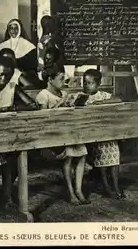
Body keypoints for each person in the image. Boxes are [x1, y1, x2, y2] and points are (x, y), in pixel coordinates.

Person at [0, 56, 38, 214]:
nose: (4, 78)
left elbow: (33, 105)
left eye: (8, 75)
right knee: (5, 162)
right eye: (1, 74)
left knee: (15, 159)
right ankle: (2, 196)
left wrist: (9, 109)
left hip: (8, 135)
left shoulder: (12, 87)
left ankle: (3, 195)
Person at [35, 63, 90, 205]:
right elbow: (42, 120)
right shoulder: (43, 95)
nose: (63, 81)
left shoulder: (64, 94)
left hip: (67, 132)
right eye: (60, 78)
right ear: (50, 80)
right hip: (52, 136)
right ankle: (70, 192)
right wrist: (60, 104)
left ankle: (79, 190)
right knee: (70, 154)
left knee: (82, 153)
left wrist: (72, 105)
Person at [82, 69, 126, 200]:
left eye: (90, 83)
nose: (86, 85)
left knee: (114, 154)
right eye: (84, 82)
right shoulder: (81, 96)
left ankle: (116, 186)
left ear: (98, 84)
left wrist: (99, 103)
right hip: (94, 135)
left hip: (108, 134)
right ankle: (107, 187)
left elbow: (118, 99)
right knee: (102, 155)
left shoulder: (103, 95)